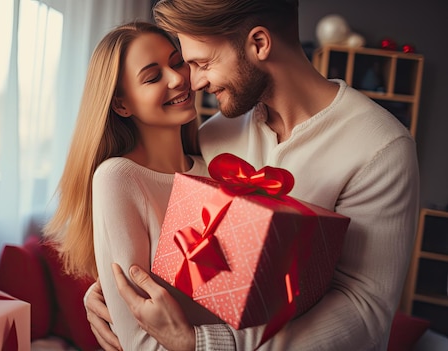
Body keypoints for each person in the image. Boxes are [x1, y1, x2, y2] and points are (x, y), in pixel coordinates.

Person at [84, 0, 420, 350]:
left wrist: (206, 345)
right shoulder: (214, 135)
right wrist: (110, 291)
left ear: (259, 43)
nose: (193, 82)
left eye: (201, 63)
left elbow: (363, 311)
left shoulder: (380, 147)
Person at [43, 21, 220, 350]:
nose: (178, 78)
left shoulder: (215, 170)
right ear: (122, 105)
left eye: (177, 61)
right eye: (153, 77)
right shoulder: (118, 177)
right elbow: (135, 341)